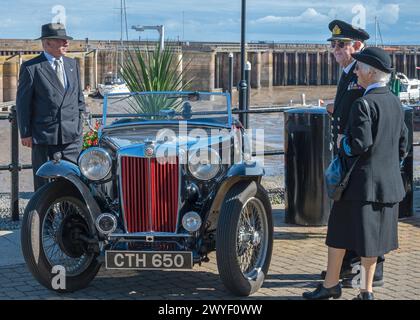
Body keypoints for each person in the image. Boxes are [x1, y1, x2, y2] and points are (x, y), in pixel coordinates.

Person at [303, 47, 408, 300]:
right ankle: (366, 292)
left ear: (371, 73)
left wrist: (342, 144)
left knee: (337, 235)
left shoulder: (364, 104)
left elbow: (359, 144)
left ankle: (331, 285)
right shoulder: (395, 101)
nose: (357, 71)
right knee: (371, 242)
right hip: (387, 186)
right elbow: (403, 144)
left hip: (358, 186)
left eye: (360, 67)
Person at [323, 20, 385, 288]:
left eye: (342, 44)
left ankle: (371, 274)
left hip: (358, 156)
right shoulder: (348, 73)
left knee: (366, 218)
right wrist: (334, 110)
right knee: (350, 216)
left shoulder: (360, 75)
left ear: (357, 46)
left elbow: (365, 115)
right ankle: (344, 271)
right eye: (333, 45)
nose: (336, 49)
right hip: (348, 154)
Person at [16, 23, 85, 191]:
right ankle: (46, 217)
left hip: (72, 137)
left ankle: (71, 215)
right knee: (44, 185)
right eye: (61, 40)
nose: (66, 43)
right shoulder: (32, 68)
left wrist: (80, 124)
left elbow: (79, 98)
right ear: (46, 43)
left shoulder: (72, 64)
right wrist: (25, 133)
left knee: (74, 182)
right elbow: (23, 103)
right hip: (45, 136)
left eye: (66, 40)